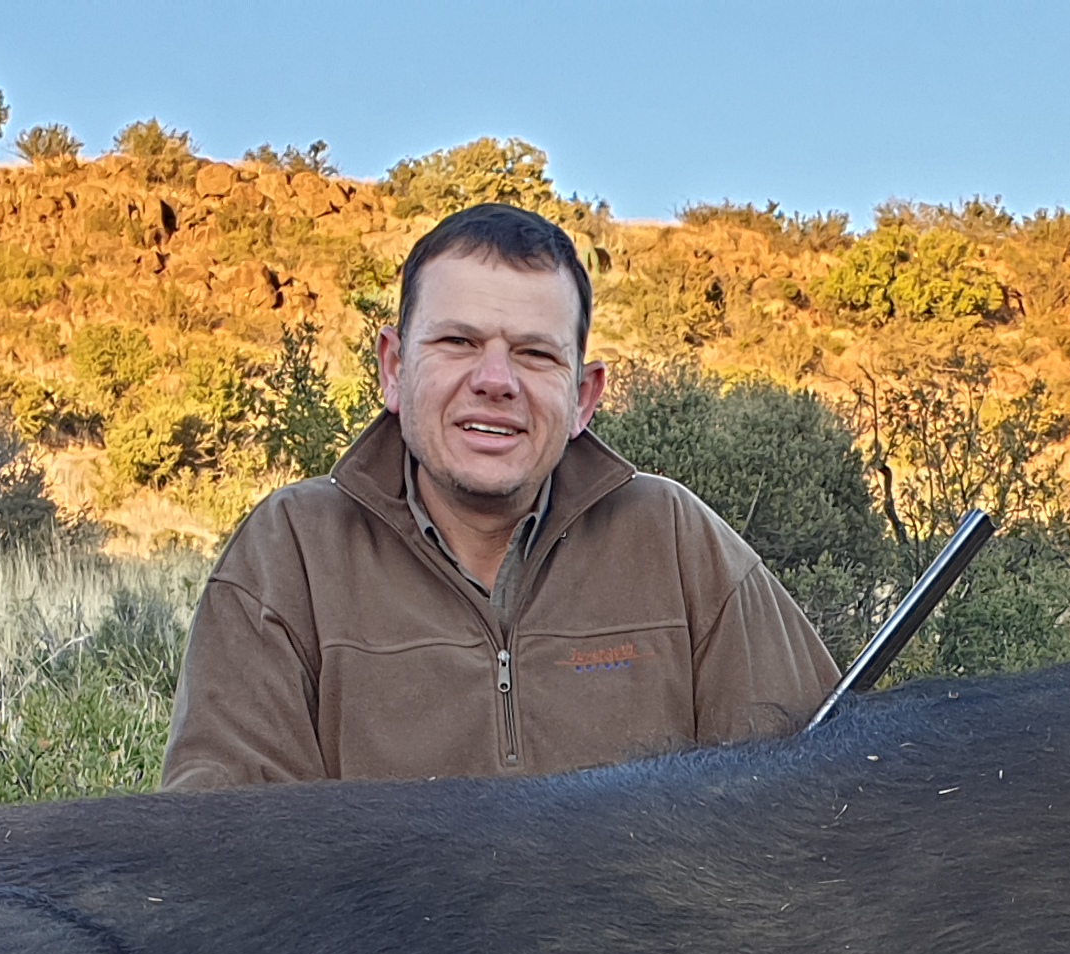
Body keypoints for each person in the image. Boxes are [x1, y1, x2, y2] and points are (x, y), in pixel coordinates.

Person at [161, 202, 838, 788]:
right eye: (458, 342)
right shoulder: (290, 552)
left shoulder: (675, 538)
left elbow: (815, 795)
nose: (495, 380)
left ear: (583, 396)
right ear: (394, 370)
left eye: (536, 354)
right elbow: (222, 854)